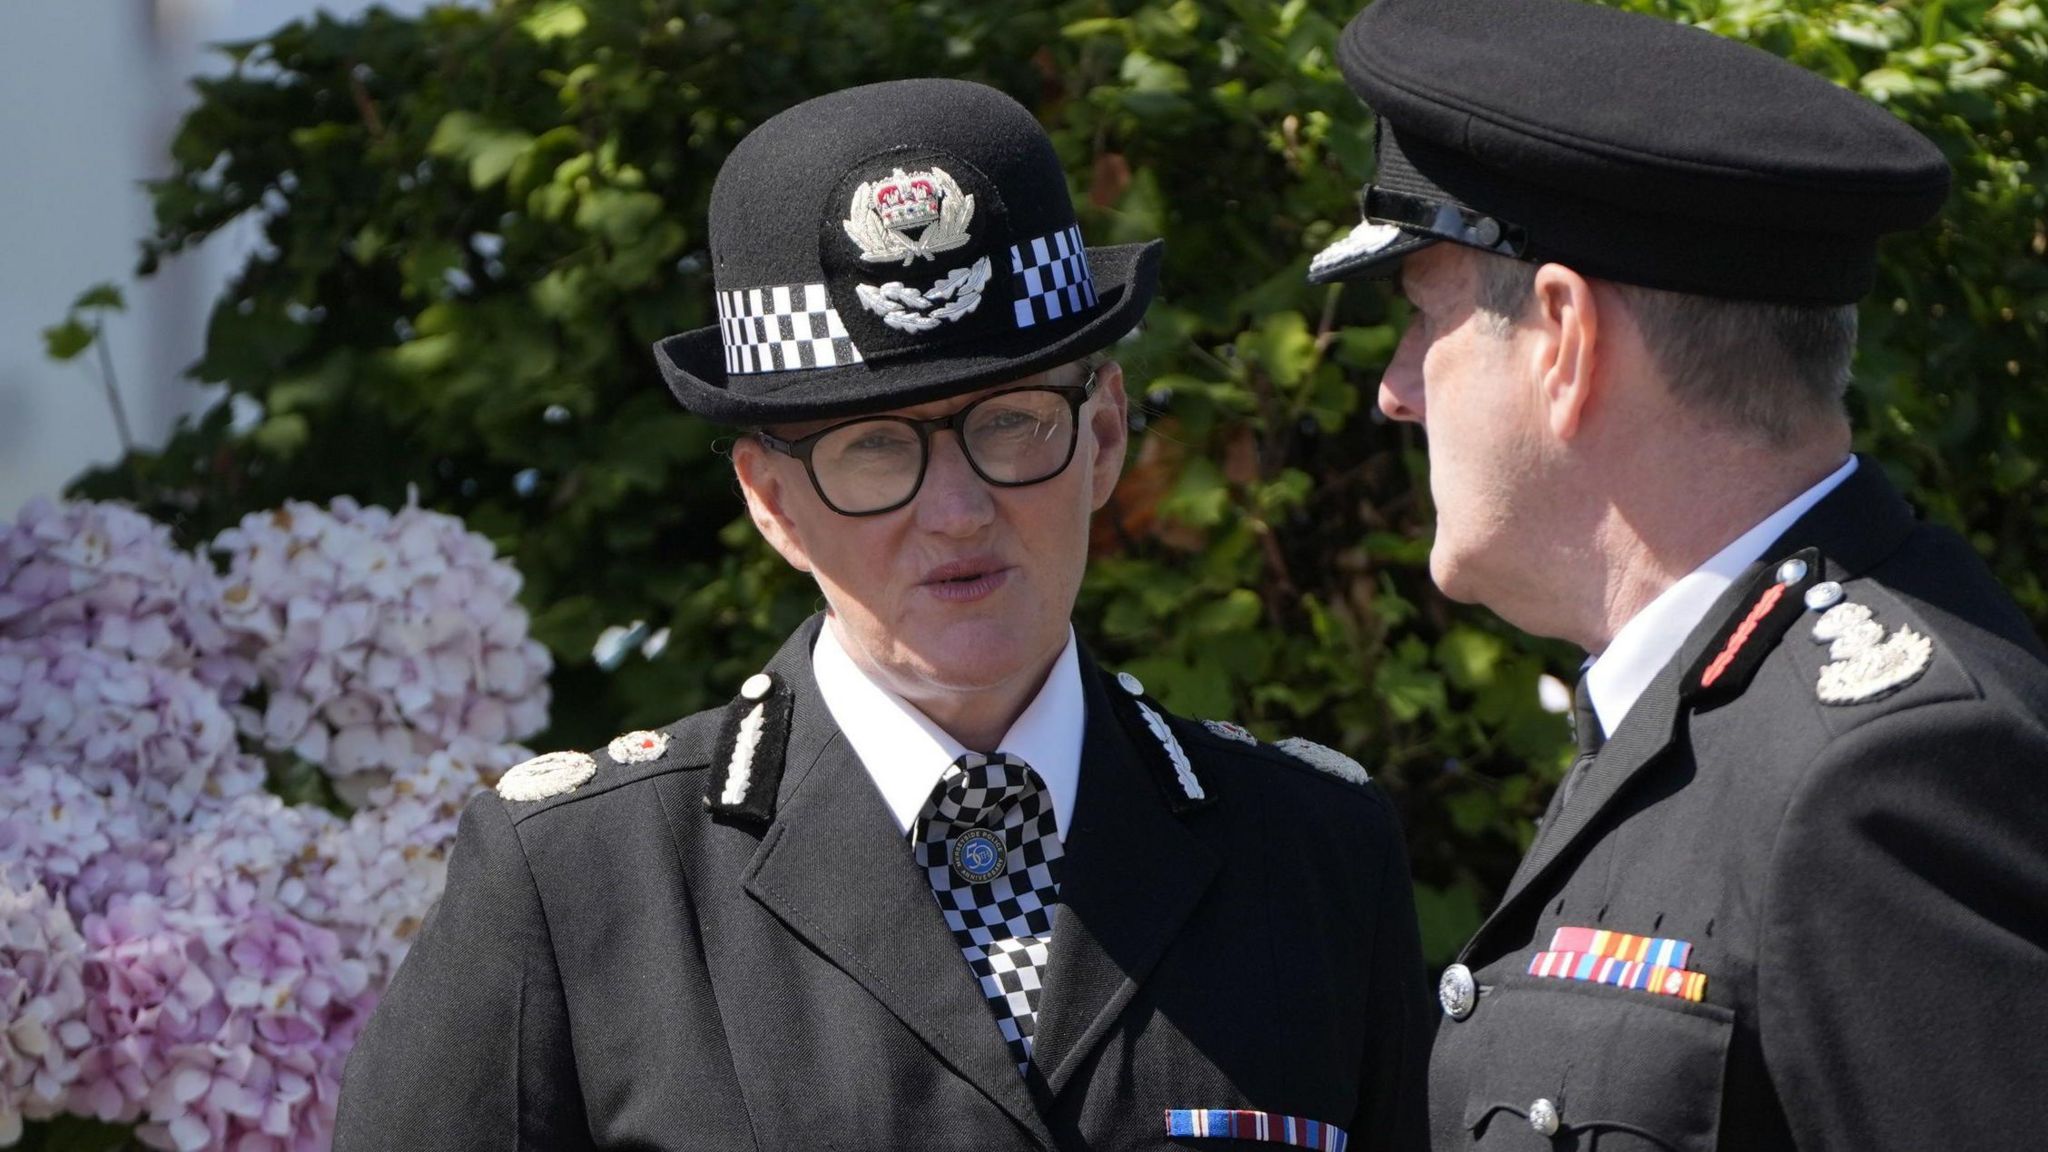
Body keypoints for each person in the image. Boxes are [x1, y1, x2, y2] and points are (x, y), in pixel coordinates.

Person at [337, 78, 1430, 1152]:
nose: (956, 513)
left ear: (1101, 437)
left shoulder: (1312, 858)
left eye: (1008, 424)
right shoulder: (584, 883)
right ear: (772, 502)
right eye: (873, 448)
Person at [1307, 1, 2048, 1149]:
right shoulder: (1714, 715)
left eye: (1422, 318)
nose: (1394, 390)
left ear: (1562, 338)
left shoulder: (1881, 778)